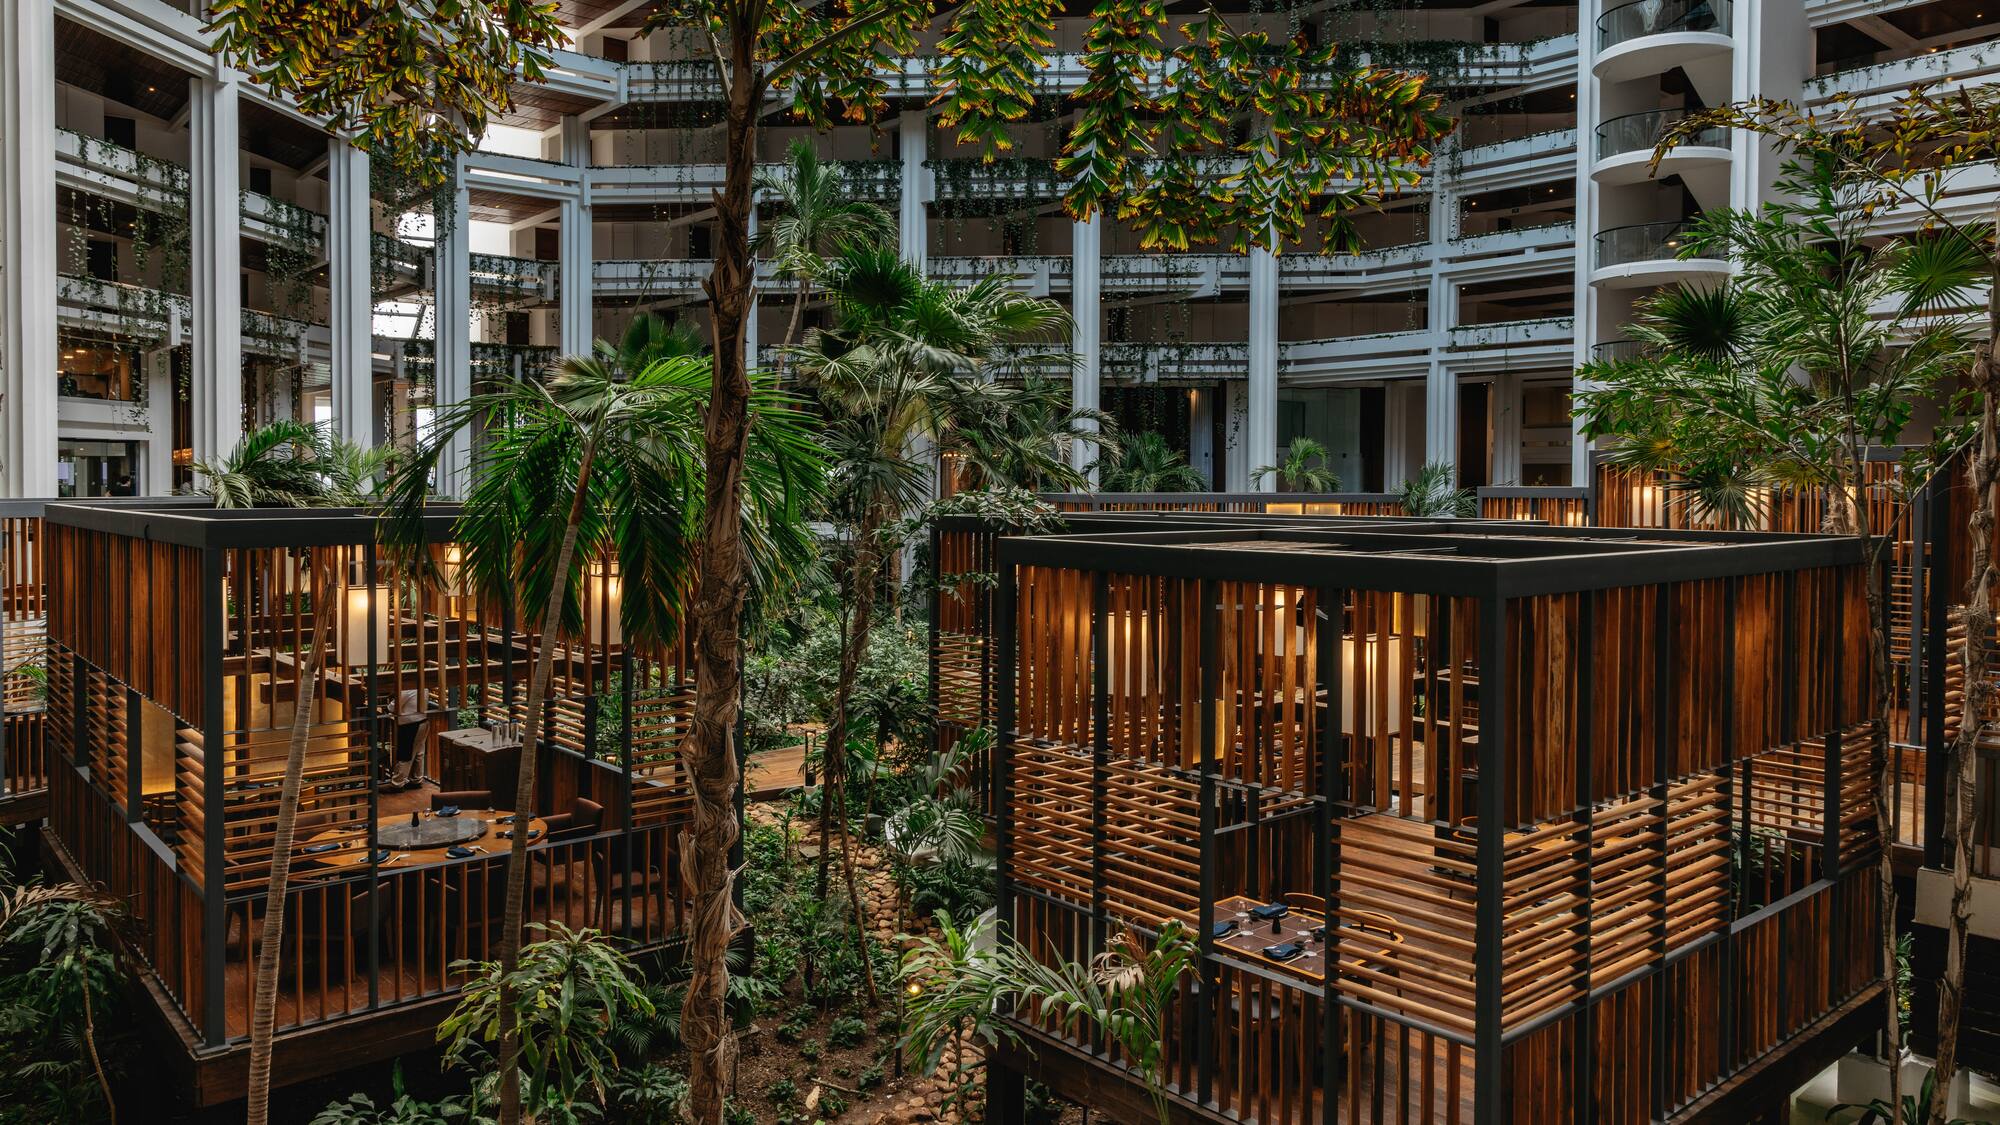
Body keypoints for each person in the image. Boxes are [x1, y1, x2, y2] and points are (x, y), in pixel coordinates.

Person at [385, 688, 429, 791]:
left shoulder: (406, 690)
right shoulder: (424, 687)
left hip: (411, 725)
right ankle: (416, 779)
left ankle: (397, 783)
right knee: (418, 753)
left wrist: (392, 698)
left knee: (405, 754)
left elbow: (392, 707)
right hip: (423, 721)